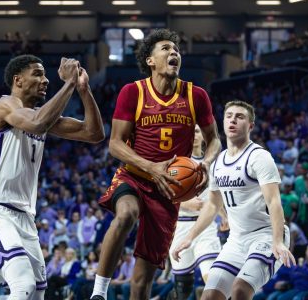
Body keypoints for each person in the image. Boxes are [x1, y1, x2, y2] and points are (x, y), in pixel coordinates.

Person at [92, 30, 221, 300]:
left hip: (170, 190)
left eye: (177, 49)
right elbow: (115, 144)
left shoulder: (196, 95)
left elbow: (214, 141)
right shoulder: (133, 92)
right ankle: (99, 292)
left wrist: (206, 164)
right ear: (150, 61)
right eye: (166, 48)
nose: (174, 52)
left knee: (141, 282)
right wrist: (151, 167)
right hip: (136, 176)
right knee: (125, 214)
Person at [0, 55, 104, 300]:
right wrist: (69, 84)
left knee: (36, 294)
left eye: (45, 75)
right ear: (18, 80)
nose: (45, 80)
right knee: (23, 285)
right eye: (37, 74)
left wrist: (84, 90)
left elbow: (94, 133)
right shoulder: (4, 105)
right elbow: (37, 123)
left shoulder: (41, 115)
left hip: (26, 217)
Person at [173, 100, 294, 300]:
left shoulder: (259, 157)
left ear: (251, 126)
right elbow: (212, 205)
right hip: (236, 241)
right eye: (229, 116)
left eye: (240, 117)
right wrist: (189, 237)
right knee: (209, 296)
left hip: (265, 236)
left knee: (240, 290)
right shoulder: (217, 162)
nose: (233, 120)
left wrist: (278, 241)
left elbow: (274, 202)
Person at [169, 125, 223, 299]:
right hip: (180, 227)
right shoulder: (175, 162)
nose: (194, 135)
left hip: (205, 226)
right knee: (183, 289)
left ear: (203, 136)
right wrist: (184, 203)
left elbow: (215, 196)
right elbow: (160, 195)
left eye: (197, 131)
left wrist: (225, 216)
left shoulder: (212, 164)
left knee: (213, 277)